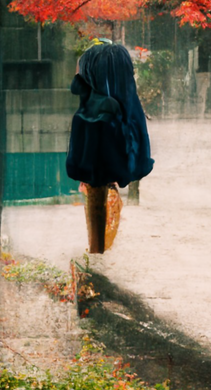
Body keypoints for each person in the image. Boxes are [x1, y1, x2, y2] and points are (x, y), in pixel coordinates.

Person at [65, 39, 153, 254]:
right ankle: (98, 259)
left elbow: (81, 163)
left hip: (97, 176)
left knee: (97, 241)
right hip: (106, 175)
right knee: (100, 239)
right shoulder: (124, 110)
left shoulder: (93, 113)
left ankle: (97, 259)